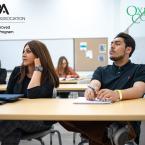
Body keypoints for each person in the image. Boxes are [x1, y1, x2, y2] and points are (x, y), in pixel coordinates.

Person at [60, 32, 145, 145]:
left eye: (117, 44)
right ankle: (111, 133)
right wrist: (91, 88)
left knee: (95, 133)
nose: (112, 46)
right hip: (102, 117)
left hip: (125, 119)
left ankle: (107, 133)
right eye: (111, 44)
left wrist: (117, 94)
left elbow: (139, 90)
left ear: (128, 50)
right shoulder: (102, 70)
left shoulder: (139, 69)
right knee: (62, 116)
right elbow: (95, 82)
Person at [0, 40, 59, 145]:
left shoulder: (48, 77)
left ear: (38, 55)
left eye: (28, 51)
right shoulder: (17, 71)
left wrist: (38, 69)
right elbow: (7, 94)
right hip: (16, 117)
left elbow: (32, 94)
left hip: (39, 120)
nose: (23, 54)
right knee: (12, 129)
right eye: (23, 51)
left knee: (11, 121)